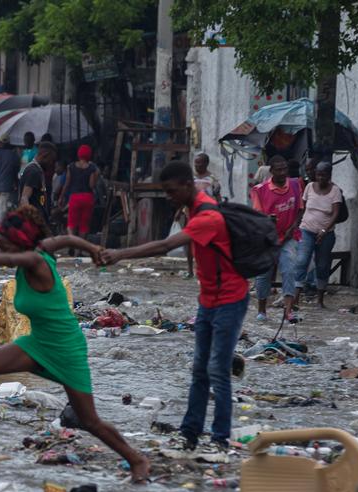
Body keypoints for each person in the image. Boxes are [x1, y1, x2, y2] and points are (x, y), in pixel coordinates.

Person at [0, 206, 151, 482]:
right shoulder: (43, 248)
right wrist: (92, 248)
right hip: (39, 341)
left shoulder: (34, 259)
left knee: (89, 420)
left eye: (4, 242)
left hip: (66, 347)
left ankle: (137, 460)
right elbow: (68, 240)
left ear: (19, 242)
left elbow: (5, 258)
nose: (0, 246)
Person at [102, 162, 248, 451]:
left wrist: (120, 254)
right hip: (208, 300)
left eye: (170, 191)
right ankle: (190, 434)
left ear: (186, 185)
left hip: (230, 299)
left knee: (217, 369)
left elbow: (164, 247)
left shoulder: (207, 214)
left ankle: (220, 439)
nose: (168, 197)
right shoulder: (193, 210)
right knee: (199, 370)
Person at [250, 155, 303, 321]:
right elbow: (258, 216)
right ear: (271, 171)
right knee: (263, 274)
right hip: (268, 238)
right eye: (278, 170)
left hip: (289, 237)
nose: (282, 173)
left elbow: (300, 210)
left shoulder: (295, 185)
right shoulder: (260, 190)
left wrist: (292, 228)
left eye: (284, 169)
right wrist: (268, 221)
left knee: (289, 270)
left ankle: (288, 311)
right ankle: (262, 309)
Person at [289, 161, 343, 309]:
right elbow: (303, 208)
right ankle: (296, 297)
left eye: (323, 175)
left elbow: (335, 213)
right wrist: (295, 225)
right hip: (306, 230)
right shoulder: (309, 187)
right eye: (318, 174)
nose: (320, 178)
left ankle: (320, 300)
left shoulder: (335, 191)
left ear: (329, 175)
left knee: (323, 264)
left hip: (326, 233)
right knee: (301, 261)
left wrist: (325, 230)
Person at [62, 145, 99, 239]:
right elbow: (91, 185)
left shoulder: (71, 166)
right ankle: (80, 250)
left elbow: (67, 183)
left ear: (79, 154)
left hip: (75, 197)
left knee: (71, 223)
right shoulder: (92, 168)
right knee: (84, 225)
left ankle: (72, 242)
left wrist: (61, 196)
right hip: (87, 198)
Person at [19, 141, 56, 225]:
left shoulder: (37, 170)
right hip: (35, 222)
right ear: (44, 155)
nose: (51, 163)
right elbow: (24, 198)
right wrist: (31, 219)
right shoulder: (33, 171)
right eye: (51, 160)